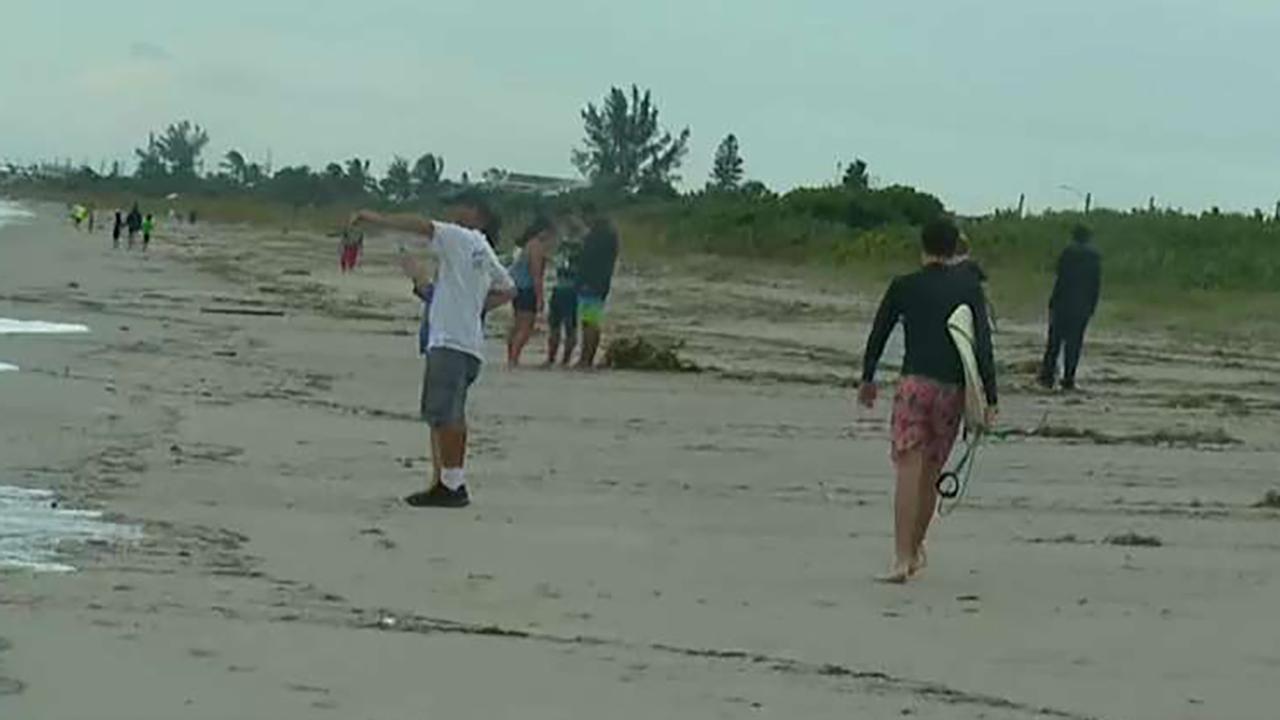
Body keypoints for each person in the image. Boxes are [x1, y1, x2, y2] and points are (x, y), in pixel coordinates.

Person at [351, 190, 515, 508]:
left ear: (475, 212)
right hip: (467, 343)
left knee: (444, 414)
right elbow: (508, 288)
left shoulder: (461, 237)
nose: (452, 212)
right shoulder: (482, 248)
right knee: (448, 414)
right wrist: (467, 305)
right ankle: (446, 480)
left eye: (460, 206)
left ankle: (452, 485)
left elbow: (422, 226)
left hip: (451, 342)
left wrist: (378, 219)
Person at [859, 218, 998, 584]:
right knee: (931, 473)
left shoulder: (904, 285)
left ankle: (902, 558)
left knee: (908, 469)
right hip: (951, 391)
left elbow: (879, 332)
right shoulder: (969, 288)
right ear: (955, 249)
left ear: (922, 246)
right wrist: (991, 397)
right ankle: (917, 548)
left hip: (914, 386)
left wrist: (867, 378)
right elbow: (981, 343)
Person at [1038, 224, 1102, 391]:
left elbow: (1060, 279)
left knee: (1054, 342)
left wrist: (1052, 302)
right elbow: (1095, 284)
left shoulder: (1068, 253)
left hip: (1063, 304)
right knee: (1074, 344)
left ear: (1074, 236)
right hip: (1082, 307)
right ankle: (1068, 378)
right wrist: (1092, 306)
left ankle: (1047, 376)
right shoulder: (1094, 256)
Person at [575, 203, 620, 369]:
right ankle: (587, 359)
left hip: (591, 283)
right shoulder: (609, 234)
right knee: (592, 321)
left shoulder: (596, 236)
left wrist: (582, 281)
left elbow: (588, 260)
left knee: (589, 323)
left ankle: (585, 360)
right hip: (601, 283)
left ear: (590, 215)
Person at [506, 215, 554, 367]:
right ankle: (514, 357)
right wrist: (540, 298)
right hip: (527, 289)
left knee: (518, 324)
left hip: (517, 288)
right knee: (526, 327)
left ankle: (511, 356)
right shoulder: (536, 246)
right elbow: (536, 274)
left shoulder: (526, 245)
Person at [545, 219, 584, 367]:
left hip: (565, 289)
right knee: (567, 326)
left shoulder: (567, 246)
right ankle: (562, 360)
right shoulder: (577, 246)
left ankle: (553, 358)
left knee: (558, 326)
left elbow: (560, 264)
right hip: (568, 289)